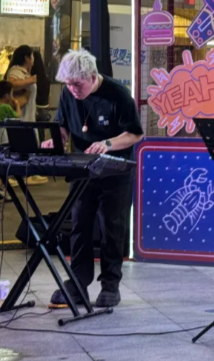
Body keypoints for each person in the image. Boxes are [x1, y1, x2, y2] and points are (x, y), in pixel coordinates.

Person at [46, 49, 142, 309]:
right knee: (79, 225)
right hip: (83, 169)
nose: (73, 90)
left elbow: (135, 134)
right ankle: (78, 283)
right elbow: (63, 124)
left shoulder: (118, 94)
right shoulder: (68, 93)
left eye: (77, 84)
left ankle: (110, 285)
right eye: (68, 84)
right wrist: (57, 139)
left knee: (112, 228)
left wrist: (107, 144)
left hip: (115, 170)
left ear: (91, 76)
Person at [4, 46, 37, 123]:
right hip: (21, 118)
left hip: (27, 117)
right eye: (32, 56)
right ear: (26, 58)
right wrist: (30, 80)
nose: (33, 59)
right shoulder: (16, 70)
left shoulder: (24, 72)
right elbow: (11, 85)